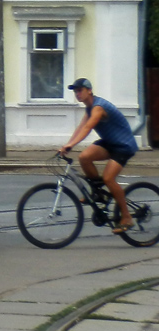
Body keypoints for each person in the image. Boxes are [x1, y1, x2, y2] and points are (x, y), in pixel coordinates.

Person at [59, 77, 139, 233]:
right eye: (75, 92)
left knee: (109, 178)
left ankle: (127, 217)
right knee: (84, 157)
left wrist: (71, 145)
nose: (77, 94)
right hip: (109, 142)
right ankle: (99, 194)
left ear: (89, 91)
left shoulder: (98, 107)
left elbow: (88, 128)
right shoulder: (89, 108)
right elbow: (80, 128)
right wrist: (66, 145)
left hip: (124, 146)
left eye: (80, 90)